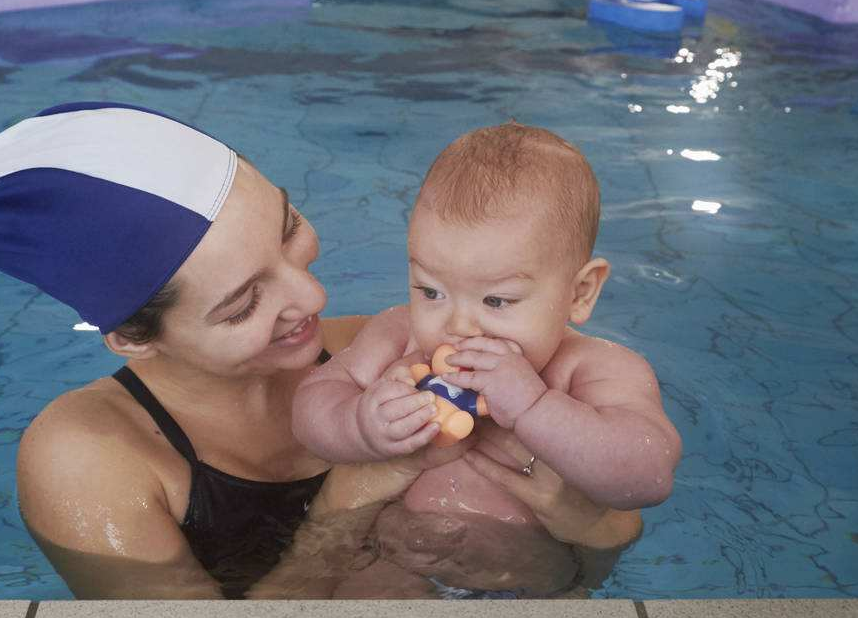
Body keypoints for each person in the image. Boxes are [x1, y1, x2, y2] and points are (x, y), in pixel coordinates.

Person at [0, 103, 641, 599]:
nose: (310, 297)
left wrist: (580, 517)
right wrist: (347, 503)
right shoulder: (89, 458)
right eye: (244, 303)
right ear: (133, 338)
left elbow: (607, 532)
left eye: (288, 230)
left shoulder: (384, 347)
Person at [292, 122, 682, 596]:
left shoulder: (597, 371)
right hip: (392, 557)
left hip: (529, 575)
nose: (457, 326)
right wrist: (361, 423)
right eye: (430, 290)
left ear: (580, 293)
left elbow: (648, 475)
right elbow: (311, 402)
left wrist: (535, 408)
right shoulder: (397, 336)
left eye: (497, 302)